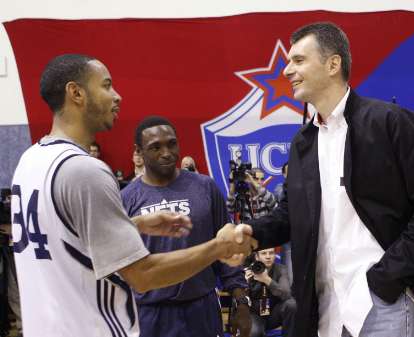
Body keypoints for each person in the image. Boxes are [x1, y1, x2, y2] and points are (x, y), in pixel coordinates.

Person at [226, 22, 414, 337]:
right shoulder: (302, 143)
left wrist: (386, 278)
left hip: (382, 305)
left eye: (299, 60)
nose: (288, 70)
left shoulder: (391, 123)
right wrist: (251, 231)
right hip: (323, 312)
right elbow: (291, 217)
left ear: (334, 64)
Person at [11, 54, 254, 337]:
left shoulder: (30, 161)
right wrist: (218, 247)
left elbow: (62, 237)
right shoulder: (85, 170)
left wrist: (133, 225)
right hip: (91, 326)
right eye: (106, 86)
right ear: (76, 93)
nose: (117, 96)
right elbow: (143, 275)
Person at [120, 116, 251, 337]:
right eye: (155, 147)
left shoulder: (205, 187)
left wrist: (241, 302)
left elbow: (227, 249)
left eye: (171, 143)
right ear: (139, 151)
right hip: (150, 314)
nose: (166, 153)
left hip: (201, 309)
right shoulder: (126, 199)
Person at [245, 248, 296, 337]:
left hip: (273, 314)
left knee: (291, 304)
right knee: (255, 333)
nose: (268, 257)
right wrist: (244, 283)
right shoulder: (248, 271)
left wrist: (267, 280)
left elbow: (287, 294)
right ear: (257, 256)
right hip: (254, 315)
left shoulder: (281, 269)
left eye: (271, 253)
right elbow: (239, 300)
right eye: (264, 253)